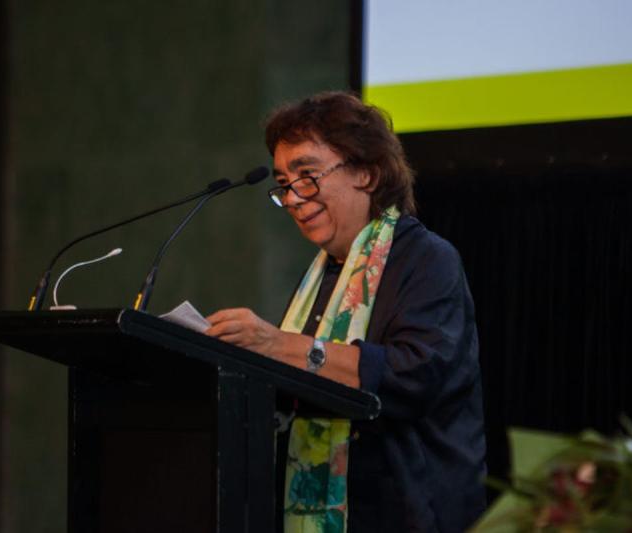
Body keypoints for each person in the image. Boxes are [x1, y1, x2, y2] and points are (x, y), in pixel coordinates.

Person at [205, 91, 486, 533]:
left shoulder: (427, 259)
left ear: (368, 174)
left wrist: (279, 346)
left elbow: (413, 376)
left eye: (308, 176)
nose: (294, 198)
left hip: (410, 512)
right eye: (283, 183)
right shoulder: (320, 277)